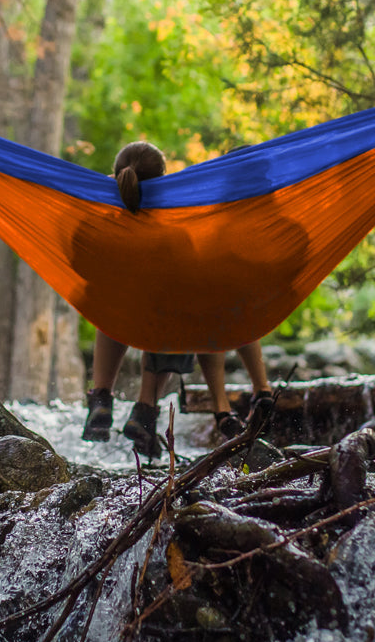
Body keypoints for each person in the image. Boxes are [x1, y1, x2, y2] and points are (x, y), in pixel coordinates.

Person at [80, 141, 274, 458]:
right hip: (166, 321)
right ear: (163, 182)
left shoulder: (98, 218)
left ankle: (102, 397)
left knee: (122, 303)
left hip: (117, 317)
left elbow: (77, 262)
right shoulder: (175, 229)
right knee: (190, 301)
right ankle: (159, 407)